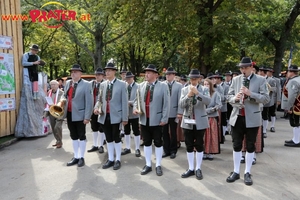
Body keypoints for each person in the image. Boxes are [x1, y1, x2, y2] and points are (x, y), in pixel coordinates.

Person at [226, 57, 269, 186]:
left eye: (245, 67)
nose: (243, 70)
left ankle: (247, 172)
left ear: (251, 67)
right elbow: (228, 96)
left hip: (252, 117)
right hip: (237, 116)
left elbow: (266, 98)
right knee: (236, 145)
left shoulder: (261, 80)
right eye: (241, 68)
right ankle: (235, 171)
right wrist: (235, 98)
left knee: (250, 146)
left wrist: (250, 94)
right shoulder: (236, 79)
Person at [133, 64, 170, 176]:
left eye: (149, 72)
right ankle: (148, 164)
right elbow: (136, 101)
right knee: (147, 142)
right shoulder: (141, 86)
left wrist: (164, 118)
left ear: (155, 75)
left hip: (157, 120)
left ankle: (158, 164)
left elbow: (166, 104)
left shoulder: (163, 86)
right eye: (146, 72)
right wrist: (135, 108)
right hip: (144, 119)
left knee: (158, 142)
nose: (146, 74)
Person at [94, 63, 128, 170]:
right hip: (104, 115)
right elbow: (99, 99)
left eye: (109, 70)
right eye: (106, 70)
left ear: (114, 72)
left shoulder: (122, 84)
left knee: (116, 137)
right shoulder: (103, 84)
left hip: (116, 116)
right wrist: (96, 108)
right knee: (108, 138)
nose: (107, 72)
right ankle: (110, 159)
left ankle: (117, 159)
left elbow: (124, 102)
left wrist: (125, 118)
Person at [180, 69, 211, 180]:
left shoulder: (204, 89)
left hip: (200, 121)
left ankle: (198, 168)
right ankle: (190, 168)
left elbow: (208, 101)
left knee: (199, 144)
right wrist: (188, 95)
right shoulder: (184, 90)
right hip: (187, 121)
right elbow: (181, 105)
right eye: (191, 79)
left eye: (195, 79)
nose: (193, 81)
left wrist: (197, 94)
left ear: (199, 79)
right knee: (188, 145)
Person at [64, 64, 93, 167]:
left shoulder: (86, 84)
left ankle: (81, 157)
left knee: (81, 136)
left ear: (80, 73)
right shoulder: (68, 83)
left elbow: (89, 102)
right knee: (73, 136)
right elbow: (65, 97)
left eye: (75, 72)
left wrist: (87, 117)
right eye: (72, 72)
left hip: (80, 114)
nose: (73, 73)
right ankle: (75, 156)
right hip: (70, 113)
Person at [162, 67, 183, 159]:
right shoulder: (162, 84)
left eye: (170, 74)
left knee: (173, 132)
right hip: (164, 113)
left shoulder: (179, 86)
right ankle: (166, 150)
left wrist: (179, 112)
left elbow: (180, 100)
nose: (168, 76)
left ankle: (173, 150)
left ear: (174, 75)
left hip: (174, 112)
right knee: (164, 132)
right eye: (166, 74)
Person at [121, 71, 141, 157]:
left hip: (134, 112)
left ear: (133, 78)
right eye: (127, 79)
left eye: (129, 78)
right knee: (126, 131)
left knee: (136, 131)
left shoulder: (138, 86)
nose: (128, 80)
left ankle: (137, 148)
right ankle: (128, 147)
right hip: (126, 113)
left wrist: (131, 103)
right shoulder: (124, 86)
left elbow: (139, 99)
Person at [87, 68, 106, 154]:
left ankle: (101, 145)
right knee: (94, 127)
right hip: (92, 109)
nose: (97, 76)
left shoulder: (105, 84)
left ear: (102, 76)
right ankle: (95, 145)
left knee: (101, 128)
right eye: (96, 75)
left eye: (99, 75)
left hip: (101, 109)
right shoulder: (91, 84)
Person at [203, 78, 222, 160]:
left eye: (207, 84)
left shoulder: (215, 94)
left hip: (211, 117)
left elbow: (219, 105)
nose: (206, 86)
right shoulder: (200, 93)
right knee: (203, 136)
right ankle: (203, 151)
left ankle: (210, 152)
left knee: (211, 135)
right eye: (204, 84)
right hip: (203, 117)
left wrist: (211, 110)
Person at [44, 80, 65, 148]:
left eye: (54, 84)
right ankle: (58, 141)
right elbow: (47, 102)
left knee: (57, 127)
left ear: (58, 85)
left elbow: (64, 102)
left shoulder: (62, 93)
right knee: (53, 127)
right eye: (51, 85)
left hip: (59, 112)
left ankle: (59, 141)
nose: (52, 86)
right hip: (51, 112)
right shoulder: (49, 92)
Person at [284, 65, 300, 147]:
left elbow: (292, 96)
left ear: (292, 72)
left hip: (296, 106)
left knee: (295, 123)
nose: (287, 73)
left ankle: (297, 140)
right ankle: (296, 139)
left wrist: (288, 107)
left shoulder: (293, 81)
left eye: (288, 72)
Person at [258, 66, 276, 138]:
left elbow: (274, 89)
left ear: (262, 72)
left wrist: (268, 88)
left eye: (260, 71)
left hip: (266, 100)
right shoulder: (257, 79)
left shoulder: (271, 80)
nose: (259, 72)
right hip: (258, 99)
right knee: (260, 115)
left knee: (265, 115)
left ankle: (264, 130)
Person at [212, 72, 229, 142]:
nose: (215, 80)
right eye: (214, 78)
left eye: (216, 78)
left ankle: (223, 134)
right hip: (215, 107)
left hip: (223, 106)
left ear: (220, 79)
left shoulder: (225, 86)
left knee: (223, 122)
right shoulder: (212, 86)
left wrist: (217, 93)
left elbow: (226, 97)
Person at [267, 68, 282, 132]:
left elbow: (278, 90)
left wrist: (278, 99)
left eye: (268, 72)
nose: (267, 73)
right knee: (265, 114)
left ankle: (272, 126)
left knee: (272, 113)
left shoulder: (276, 80)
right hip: (266, 99)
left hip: (273, 98)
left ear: (271, 72)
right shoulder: (264, 79)